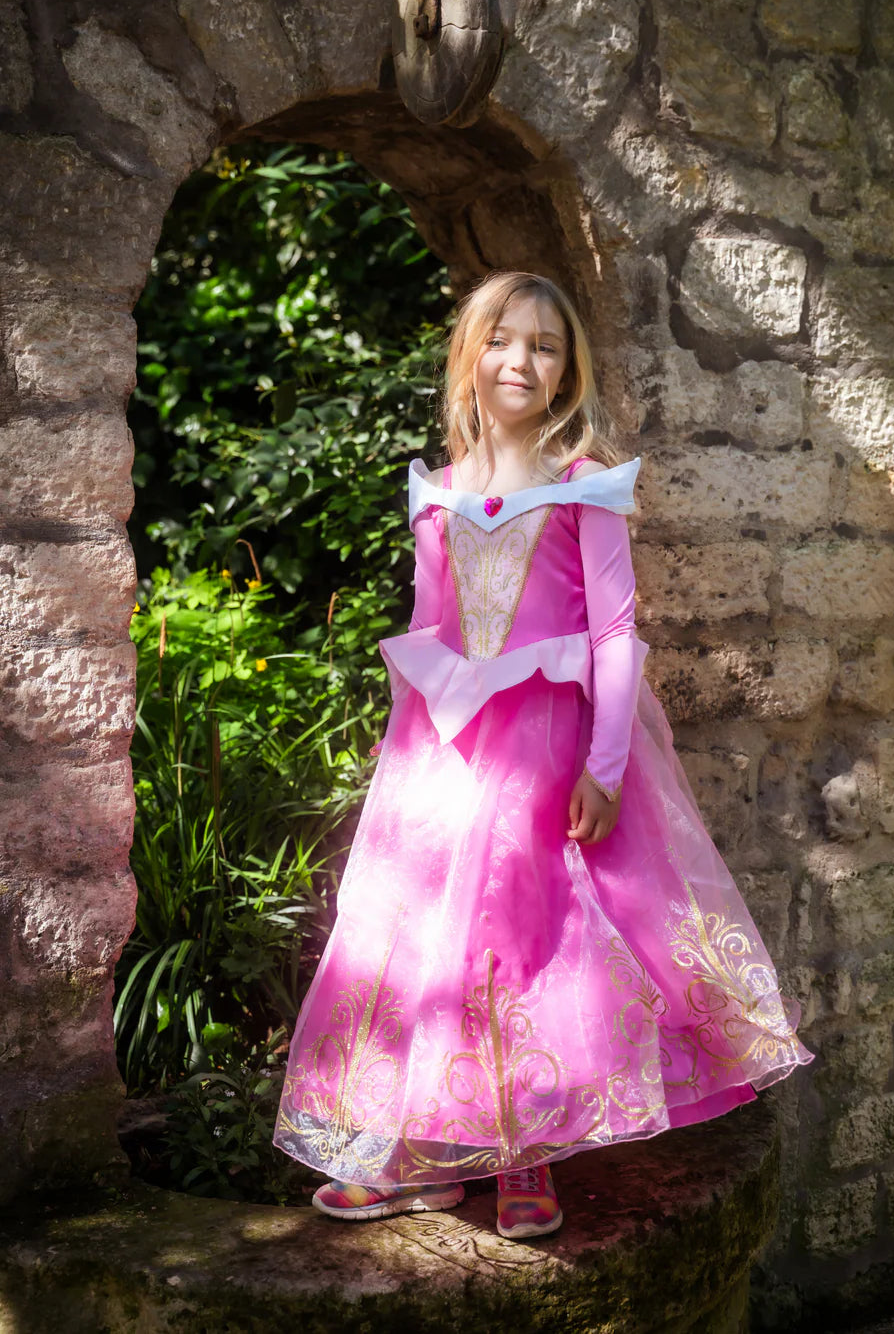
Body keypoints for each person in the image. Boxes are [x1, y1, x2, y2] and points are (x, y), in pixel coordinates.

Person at [273, 270, 813, 1239]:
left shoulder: (581, 484)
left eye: (544, 346)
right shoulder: (437, 493)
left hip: (547, 747)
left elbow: (614, 631)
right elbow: (429, 628)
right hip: (445, 752)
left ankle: (529, 1148)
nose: (520, 359)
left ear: (566, 372)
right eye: (502, 339)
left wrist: (604, 767)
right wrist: (404, 765)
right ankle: (421, 1154)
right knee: (421, 940)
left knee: (527, 932)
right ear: (470, 356)